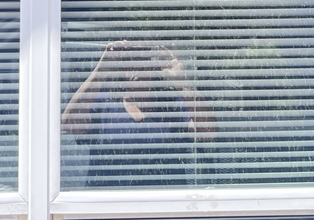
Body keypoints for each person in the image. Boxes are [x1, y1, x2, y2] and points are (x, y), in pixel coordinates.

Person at [62, 40, 216, 188]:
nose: (140, 66)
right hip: (107, 209)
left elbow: (208, 132)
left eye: (146, 60)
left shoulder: (170, 106)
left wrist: (182, 81)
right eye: (133, 60)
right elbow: (70, 124)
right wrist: (102, 69)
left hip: (164, 208)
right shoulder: (105, 104)